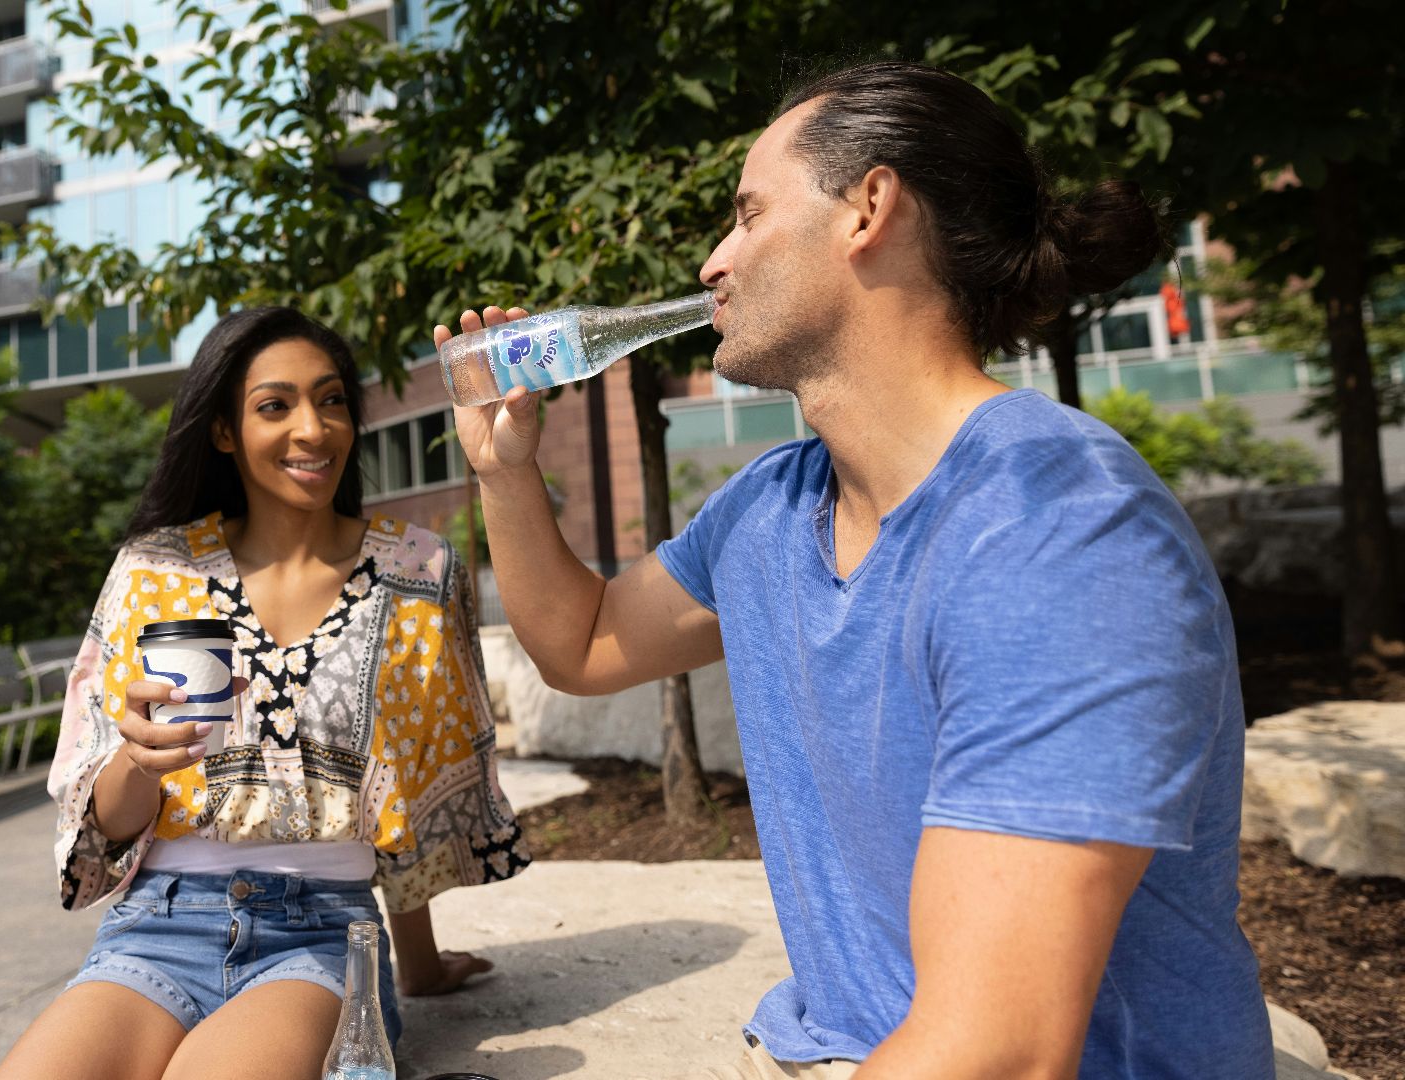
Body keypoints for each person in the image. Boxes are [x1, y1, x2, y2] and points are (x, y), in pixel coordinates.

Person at [445, 61, 1273, 1079]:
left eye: (748, 214)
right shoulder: (770, 508)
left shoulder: (1059, 530)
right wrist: (506, 474)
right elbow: (581, 645)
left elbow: (1003, 1052)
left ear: (870, 208)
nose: (713, 260)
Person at [0, 307, 528, 1080]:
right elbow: (102, 829)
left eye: (332, 399)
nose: (313, 428)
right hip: (155, 927)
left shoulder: (416, 572)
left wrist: (417, 964)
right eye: (275, 405)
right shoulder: (154, 570)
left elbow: (414, 791)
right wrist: (138, 760)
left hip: (319, 938)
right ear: (223, 431)